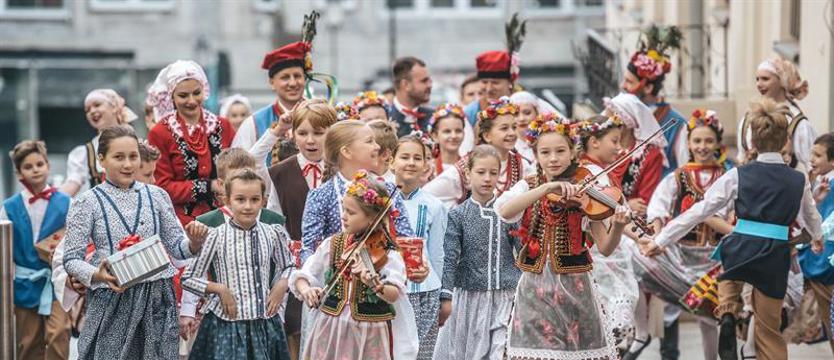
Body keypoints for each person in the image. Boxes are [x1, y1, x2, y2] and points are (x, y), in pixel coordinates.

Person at [644, 98, 823, 360]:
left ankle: (727, 311)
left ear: (752, 142)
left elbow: (700, 210)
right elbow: (811, 216)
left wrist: (661, 240)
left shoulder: (738, 174)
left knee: (727, 277)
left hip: (740, 245)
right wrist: (817, 238)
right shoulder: (798, 179)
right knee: (768, 328)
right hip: (774, 253)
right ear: (786, 140)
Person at [62, 126, 210, 359]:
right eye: (118, 157)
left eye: (133, 156)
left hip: (157, 297)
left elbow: (178, 247)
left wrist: (194, 243)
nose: (128, 164)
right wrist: (98, 275)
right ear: (102, 159)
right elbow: (70, 259)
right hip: (112, 297)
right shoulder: (87, 202)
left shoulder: (157, 195)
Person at [495, 113, 630, 359]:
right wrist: (546, 188)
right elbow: (505, 211)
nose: (554, 159)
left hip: (575, 288)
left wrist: (618, 227)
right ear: (536, 155)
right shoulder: (530, 185)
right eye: (545, 153)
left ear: (573, 152)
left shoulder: (585, 191)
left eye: (560, 151)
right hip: (535, 289)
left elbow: (606, 247)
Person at [625, 109, 734, 360]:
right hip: (681, 257)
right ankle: (642, 332)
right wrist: (658, 232)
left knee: (709, 319)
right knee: (633, 256)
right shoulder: (679, 176)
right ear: (688, 143)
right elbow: (658, 208)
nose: (702, 146)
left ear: (718, 143)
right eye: (697, 141)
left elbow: (734, 209)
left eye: (708, 141)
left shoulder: (727, 176)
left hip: (714, 259)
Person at [290, 171, 419, 359]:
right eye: (343, 209)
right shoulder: (333, 244)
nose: (344, 216)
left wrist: (374, 283)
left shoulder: (388, 252)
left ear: (373, 218)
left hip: (369, 332)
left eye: (351, 212)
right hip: (331, 327)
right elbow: (303, 275)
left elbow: (394, 294)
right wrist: (307, 290)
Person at [182, 169, 293, 360]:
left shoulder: (273, 233)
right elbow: (188, 278)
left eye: (254, 199)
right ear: (228, 201)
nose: (248, 206)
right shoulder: (215, 235)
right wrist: (219, 288)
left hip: (264, 324)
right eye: (240, 199)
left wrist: (282, 284)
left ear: (263, 201)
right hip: (226, 325)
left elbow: (289, 266)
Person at [433, 145, 521, 360]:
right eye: (481, 172)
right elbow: (450, 257)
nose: (487, 178)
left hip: (506, 294)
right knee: (470, 351)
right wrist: (446, 296)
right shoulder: (458, 215)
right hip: (471, 296)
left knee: (500, 350)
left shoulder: (508, 209)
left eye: (493, 173)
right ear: (468, 174)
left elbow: (522, 248)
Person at [265, 100, 337, 358]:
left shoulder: (342, 170)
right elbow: (274, 221)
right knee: (295, 330)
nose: (311, 140)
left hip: (336, 262)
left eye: (319, 132)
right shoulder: (280, 173)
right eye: (303, 133)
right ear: (293, 135)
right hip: (295, 263)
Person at [571, 113, 641, 352]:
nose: (620, 148)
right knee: (616, 321)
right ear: (594, 142)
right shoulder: (588, 173)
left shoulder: (599, 173)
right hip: (598, 259)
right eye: (614, 140)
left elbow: (612, 212)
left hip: (608, 250)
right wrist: (641, 236)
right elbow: (607, 214)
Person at [300, 120, 414, 262]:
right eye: (369, 141)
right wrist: (309, 278)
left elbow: (406, 238)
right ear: (346, 151)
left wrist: (415, 265)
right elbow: (309, 249)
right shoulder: (322, 195)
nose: (377, 146)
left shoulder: (388, 189)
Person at [3, 140, 72, 360]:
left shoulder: (67, 202)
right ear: (19, 173)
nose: (35, 170)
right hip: (24, 283)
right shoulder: (8, 207)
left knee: (59, 333)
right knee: (28, 341)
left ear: (48, 165)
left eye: (39, 164)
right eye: (28, 166)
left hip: (57, 281)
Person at [146, 60, 235, 226]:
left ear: (204, 90)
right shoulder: (160, 133)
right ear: (171, 96)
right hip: (180, 222)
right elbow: (162, 187)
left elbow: (238, 168)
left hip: (225, 219)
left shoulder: (223, 125)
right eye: (183, 95)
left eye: (196, 93)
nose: (192, 100)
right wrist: (209, 187)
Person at [232, 13, 320, 166]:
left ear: (305, 79)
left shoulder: (320, 114)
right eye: (285, 77)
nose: (292, 83)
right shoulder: (254, 122)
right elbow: (239, 166)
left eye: (297, 76)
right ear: (272, 83)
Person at [392, 136, 448, 359]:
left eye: (418, 158)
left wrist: (445, 295)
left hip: (426, 291)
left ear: (426, 164)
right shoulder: (379, 200)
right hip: (392, 289)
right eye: (404, 157)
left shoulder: (434, 205)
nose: (411, 163)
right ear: (391, 161)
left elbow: (437, 253)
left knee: (421, 353)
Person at [424, 97, 535, 208]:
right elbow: (428, 194)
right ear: (487, 135)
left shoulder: (520, 165)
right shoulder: (467, 164)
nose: (511, 133)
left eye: (514, 127)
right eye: (504, 128)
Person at [621, 25, 687, 177]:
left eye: (629, 82)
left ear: (648, 87)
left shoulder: (677, 124)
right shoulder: (621, 118)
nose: (622, 86)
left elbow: (684, 170)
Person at [737, 57, 815, 172]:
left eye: (765, 79)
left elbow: (810, 165)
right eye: (757, 79)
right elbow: (741, 156)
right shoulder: (749, 116)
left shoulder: (797, 120)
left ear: (782, 81)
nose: (759, 84)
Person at [61, 89, 138, 197]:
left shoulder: (138, 144)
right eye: (87, 110)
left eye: (97, 105)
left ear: (114, 107)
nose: (92, 111)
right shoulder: (86, 152)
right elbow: (72, 184)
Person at [797, 132, 834, 354]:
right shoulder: (818, 182)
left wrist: (816, 235)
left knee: (829, 315)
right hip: (819, 257)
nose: (812, 159)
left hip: (826, 260)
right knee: (827, 317)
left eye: (818, 155)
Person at [388, 57, 434, 138]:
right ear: (405, 84)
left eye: (430, 81)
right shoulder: (386, 119)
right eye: (424, 81)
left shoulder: (434, 118)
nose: (429, 85)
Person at [427, 103, 465, 177]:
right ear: (435, 136)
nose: (453, 136)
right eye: (447, 131)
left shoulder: (470, 168)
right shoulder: (427, 169)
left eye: (458, 131)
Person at [509, 91, 540, 163]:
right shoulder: (506, 146)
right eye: (516, 114)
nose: (521, 118)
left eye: (527, 113)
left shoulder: (546, 140)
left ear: (537, 114)